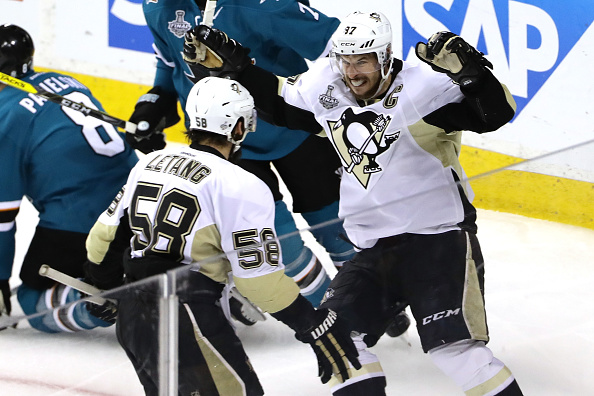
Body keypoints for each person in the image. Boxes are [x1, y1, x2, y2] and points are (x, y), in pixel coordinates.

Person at [183, 10, 523, 396]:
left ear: (385, 56)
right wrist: (240, 70)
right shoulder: (326, 86)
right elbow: (281, 107)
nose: (352, 71)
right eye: (345, 59)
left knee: (456, 352)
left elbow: (496, 114)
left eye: (362, 60)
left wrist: (475, 79)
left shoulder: (423, 88)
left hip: (437, 239)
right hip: (374, 249)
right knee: (338, 342)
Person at [84, 76, 360, 395]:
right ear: (238, 128)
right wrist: (309, 324)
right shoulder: (241, 185)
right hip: (189, 319)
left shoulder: (148, 164)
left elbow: (101, 240)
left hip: (134, 320)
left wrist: (110, 289)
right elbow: (258, 281)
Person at [126, 0, 358, 317]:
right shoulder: (159, 7)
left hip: (293, 130)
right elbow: (169, 62)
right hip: (223, 143)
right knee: (280, 246)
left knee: (337, 230)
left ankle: (367, 296)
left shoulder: (260, 5)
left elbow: (344, 47)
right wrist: (155, 101)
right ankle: (335, 316)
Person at [0, 24, 138, 332]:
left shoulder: (5, 118)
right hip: (140, 199)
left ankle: (95, 305)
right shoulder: (62, 79)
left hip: (81, 218)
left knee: (30, 297)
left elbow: (3, 219)